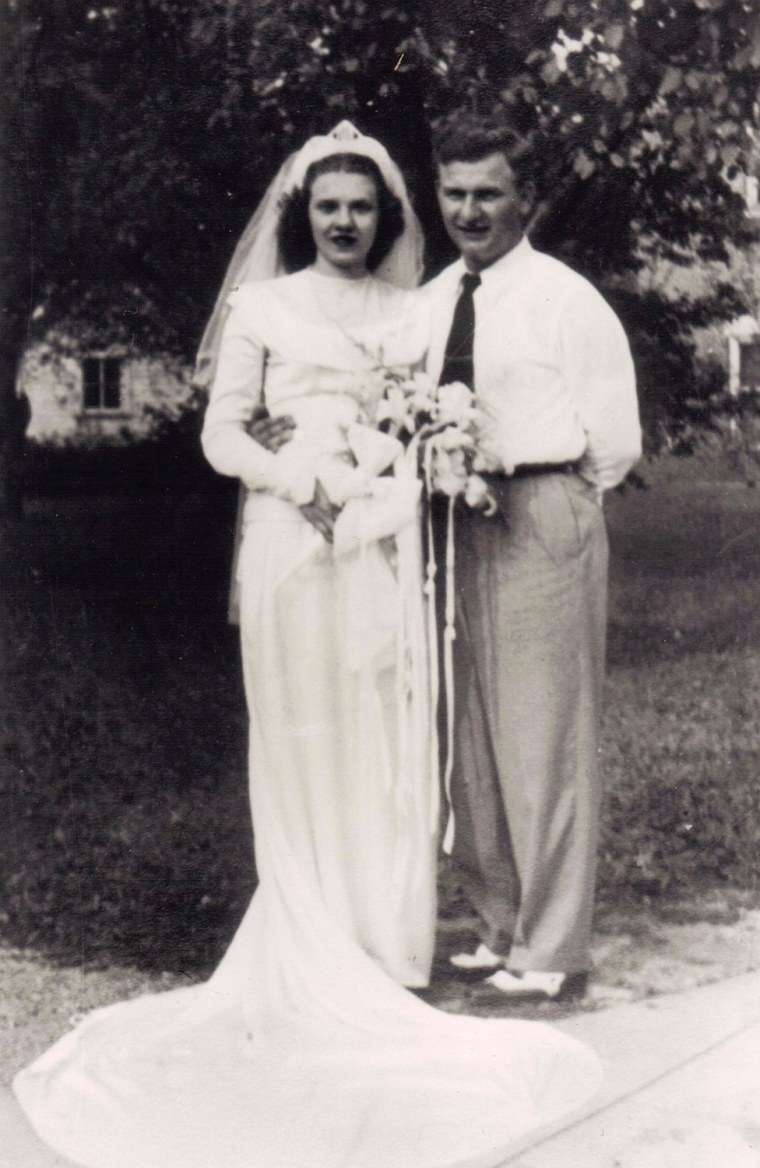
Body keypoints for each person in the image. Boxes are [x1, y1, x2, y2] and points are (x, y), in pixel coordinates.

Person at [13, 122, 600, 1168]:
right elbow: (223, 431)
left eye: (361, 206)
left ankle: (389, 941)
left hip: (387, 547)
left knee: (389, 736)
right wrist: (304, 480)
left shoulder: (414, 308)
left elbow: (438, 414)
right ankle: (314, 936)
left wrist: (386, 468)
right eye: (327, 206)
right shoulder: (263, 306)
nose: (343, 222)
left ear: (384, 218)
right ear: (302, 214)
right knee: (305, 734)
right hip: (296, 544)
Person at [426, 111, 642, 1001]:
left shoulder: (565, 298)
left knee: (543, 734)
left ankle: (552, 949)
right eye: (454, 192)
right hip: (449, 521)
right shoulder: (437, 295)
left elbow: (616, 443)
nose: (470, 210)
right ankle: (498, 923)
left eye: (489, 193)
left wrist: (535, 482)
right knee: (468, 732)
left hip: (542, 507)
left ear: (527, 200)